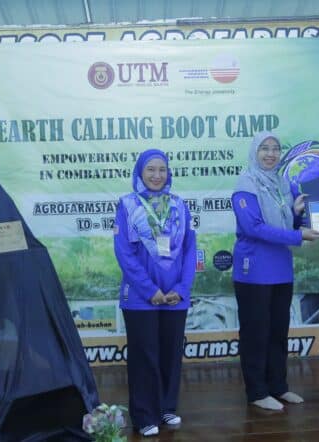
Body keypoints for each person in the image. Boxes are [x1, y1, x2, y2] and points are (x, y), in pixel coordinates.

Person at [232, 131, 319, 411]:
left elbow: (286, 222)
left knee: (278, 331)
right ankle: (257, 391)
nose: (270, 154)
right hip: (254, 269)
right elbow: (253, 227)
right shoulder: (245, 184)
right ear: (254, 152)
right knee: (256, 332)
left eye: (275, 148)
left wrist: (295, 213)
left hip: (282, 267)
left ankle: (278, 386)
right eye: (264, 148)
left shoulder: (283, 182)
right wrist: (298, 236)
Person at [113, 149, 196, 437]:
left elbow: (189, 248)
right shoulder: (127, 205)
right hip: (140, 298)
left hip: (175, 297)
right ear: (140, 172)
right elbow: (124, 252)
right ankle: (145, 415)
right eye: (151, 169)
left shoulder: (179, 205)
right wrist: (150, 291)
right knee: (144, 356)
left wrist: (182, 289)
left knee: (171, 353)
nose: (157, 175)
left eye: (162, 169)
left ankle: (167, 407)